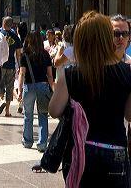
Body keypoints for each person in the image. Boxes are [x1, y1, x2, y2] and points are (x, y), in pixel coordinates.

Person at [49, 11, 131, 187]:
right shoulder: (127, 72)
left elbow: (54, 110)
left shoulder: (70, 74)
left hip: (80, 152)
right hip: (115, 151)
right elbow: (130, 115)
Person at [18, 31, 53, 152]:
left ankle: (27, 141)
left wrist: (19, 90)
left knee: (28, 115)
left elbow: (22, 73)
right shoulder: (45, 54)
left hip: (29, 86)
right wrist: (53, 89)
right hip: (43, 86)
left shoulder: (25, 54)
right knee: (43, 114)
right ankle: (42, 144)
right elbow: (49, 75)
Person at [0, 17, 22, 117]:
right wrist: (19, 65)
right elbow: (18, 53)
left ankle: (1, 100)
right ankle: (7, 111)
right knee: (10, 87)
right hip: (11, 65)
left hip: (0, 65)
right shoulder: (15, 36)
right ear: (11, 25)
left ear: (3, 23)